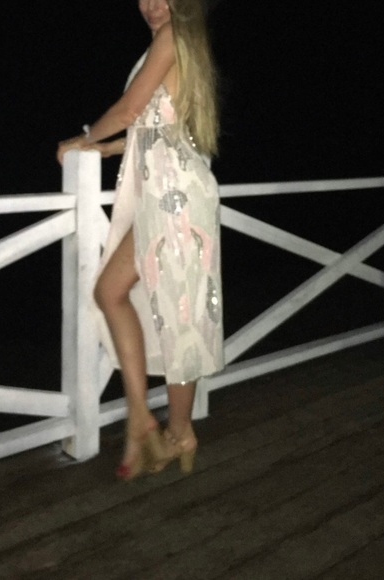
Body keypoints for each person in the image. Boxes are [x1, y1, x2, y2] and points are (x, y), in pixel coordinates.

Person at [56, 0, 224, 480]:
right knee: (111, 292)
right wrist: (106, 148)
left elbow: (130, 109)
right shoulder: (172, 43)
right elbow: (154, 123)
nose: (151, 5)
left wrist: (83, 139)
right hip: (164, 196)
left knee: (181, 318)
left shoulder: (175, 37)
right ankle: (141, 415)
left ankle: (180, 433)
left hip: (177, 199)